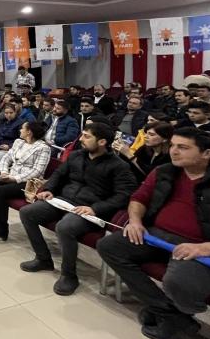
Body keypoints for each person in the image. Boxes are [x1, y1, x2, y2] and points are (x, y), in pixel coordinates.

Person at [97, 128, 210, 339]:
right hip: (157, 236)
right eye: (173, 145)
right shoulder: (164, 171)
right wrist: (135, 221)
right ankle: (170, 314)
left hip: (201, 246)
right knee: (109, 246)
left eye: (182, 147)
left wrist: (207, 248)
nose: (173, 151)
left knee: (177, 281)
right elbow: (138, 199)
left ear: (206, 154)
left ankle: (173, 313)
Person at [19, 122, 137, 296]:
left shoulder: (118, 166)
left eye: (87, 136)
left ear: (102, 142)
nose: (81, 139)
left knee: (65, 227)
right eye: (82, 135)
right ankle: (43, 259)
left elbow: (124, 195)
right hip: (64, 200)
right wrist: (48, 189)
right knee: (27, 212)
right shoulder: (76, 155)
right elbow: (59, 174)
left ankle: (69, 275)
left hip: (90, 209)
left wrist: (95, 208)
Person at [0, 121, 51, 240]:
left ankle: (2, 227)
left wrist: (14, 179)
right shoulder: (18, 142)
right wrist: (4, 172)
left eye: (22, 128)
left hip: (28, 182)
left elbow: (37, 171)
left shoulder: (43, 148)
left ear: (29, 132)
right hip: (11, 176)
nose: (20, 130)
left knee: (0, 191)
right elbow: (6, 158)